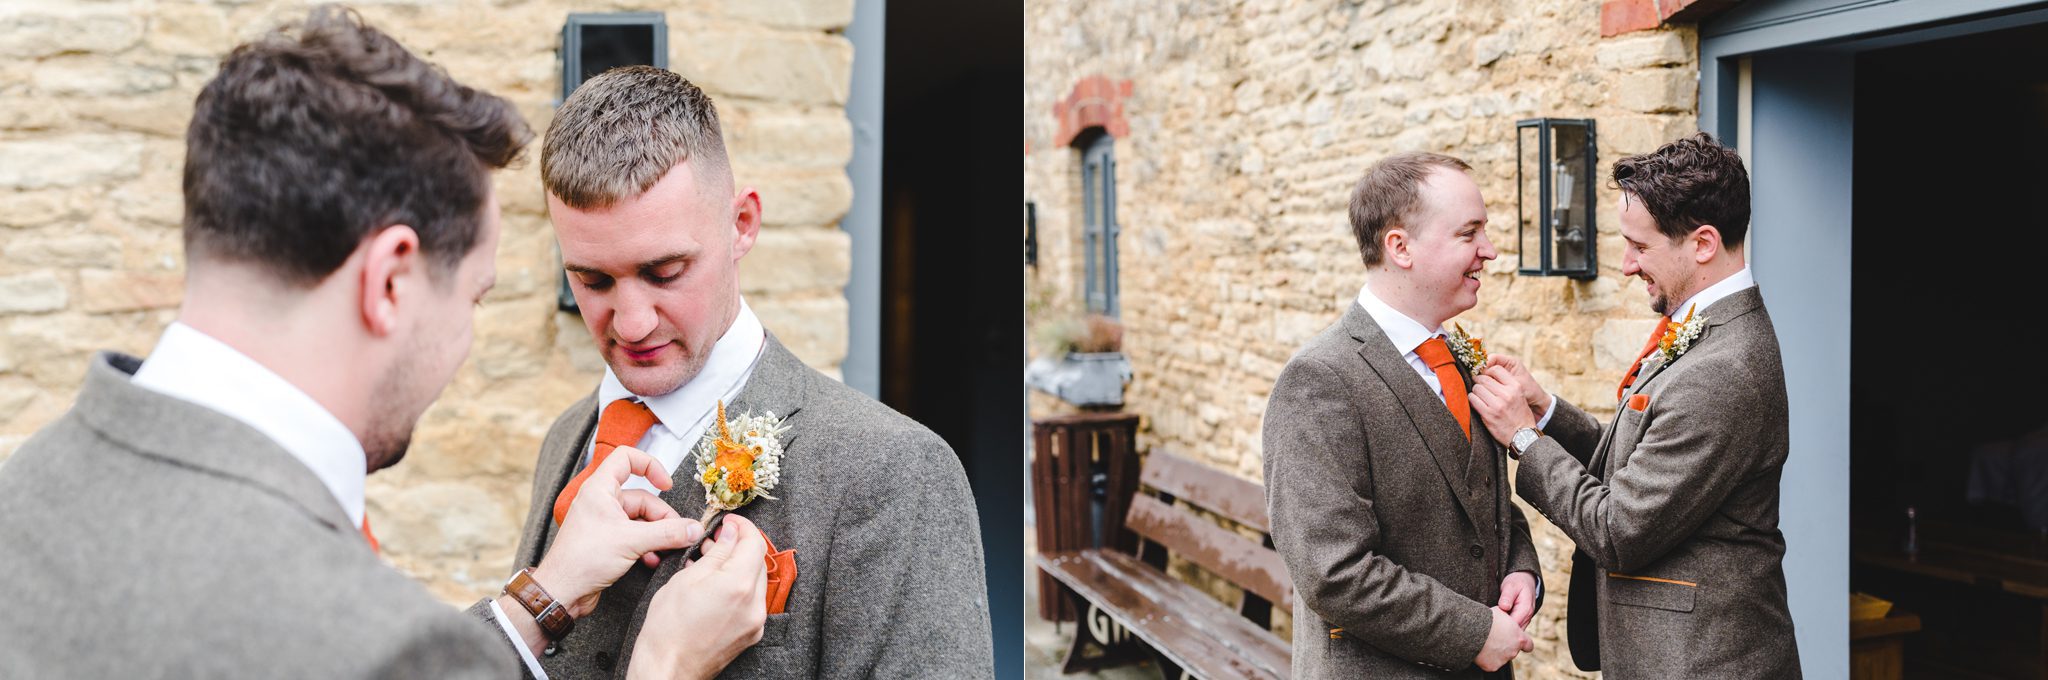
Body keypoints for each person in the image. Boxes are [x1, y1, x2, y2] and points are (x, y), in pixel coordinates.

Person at [0, 7, 765, 678]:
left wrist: (541, 597)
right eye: (473, 296)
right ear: (391, 281)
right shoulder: (373, 642)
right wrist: (663, 666)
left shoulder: (28, 487)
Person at [507, 65, 995, 679]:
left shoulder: (894, 473)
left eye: (664, 272)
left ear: (742, 225)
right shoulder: (566, 439)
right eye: (592, 279)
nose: (629, 323)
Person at [1470, 133, 1801, 677]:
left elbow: (1617, 530)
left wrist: (1522, 437)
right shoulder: (1707, 328)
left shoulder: (1724, 369)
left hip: (1702, 663)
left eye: (1640, 247)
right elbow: (1645, 460)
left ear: (1702, 243)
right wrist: (1545, 407)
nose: (1625, 265)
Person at [1264, 152, 1542, 678]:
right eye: (1469, 234)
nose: (1491, 251)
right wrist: (1472, 632)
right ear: (1400, 247)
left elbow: (1485, 505)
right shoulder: (1320, 380)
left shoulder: (1457, 358)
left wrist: (1521, 570)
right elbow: (1334, 572)